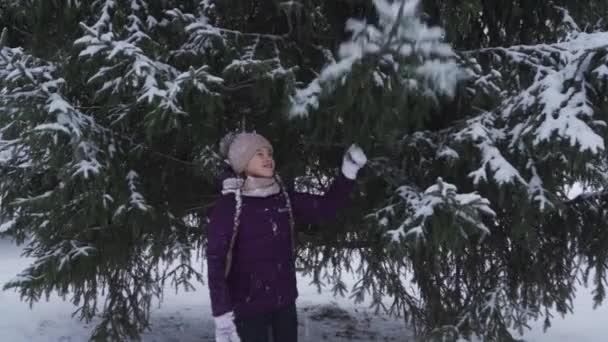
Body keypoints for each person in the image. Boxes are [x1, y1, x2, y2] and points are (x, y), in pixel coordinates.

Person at [207, 132, 367, 342]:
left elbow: (325, 207)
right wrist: (222, 315)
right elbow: (216, 262)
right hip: (246, 309)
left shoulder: (283, 198)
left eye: (269, 153)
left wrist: (348, 171)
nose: (267, 158)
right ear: (242, 163)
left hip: (284, 304)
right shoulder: (230, 205)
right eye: (259, 154)